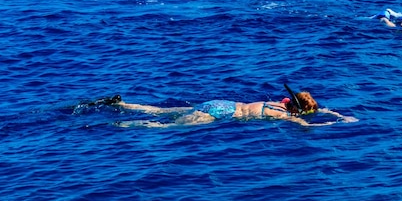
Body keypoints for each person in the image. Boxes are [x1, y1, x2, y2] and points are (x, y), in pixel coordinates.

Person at [94, 84, 358, 127]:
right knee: (166, 127)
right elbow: (304, 121)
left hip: (223, 102)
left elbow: (312, 110)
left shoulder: (280, 103)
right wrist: (337, 122)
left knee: (164, 111)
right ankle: (124, 124)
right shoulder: (285, 118)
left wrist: (338, 114)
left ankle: (125, 104)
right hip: (224, 114)